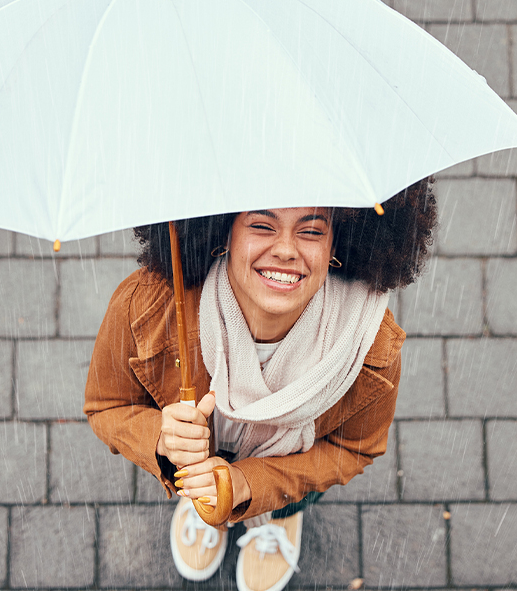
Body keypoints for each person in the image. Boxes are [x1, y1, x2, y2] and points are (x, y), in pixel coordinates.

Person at [84, 179, 436, 591]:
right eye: (262, 226)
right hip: (195, 465)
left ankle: (279, 518)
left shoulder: (369, 345)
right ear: (223, 234)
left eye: (311, 230)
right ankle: (204, 505)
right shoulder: (146, 304)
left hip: (287, 474)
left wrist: (249, 486)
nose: (286, 249)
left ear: (335, 246)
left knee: (286, 498)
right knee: (203, 491)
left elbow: (353, 448)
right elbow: (106, 406)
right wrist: (163, 439)